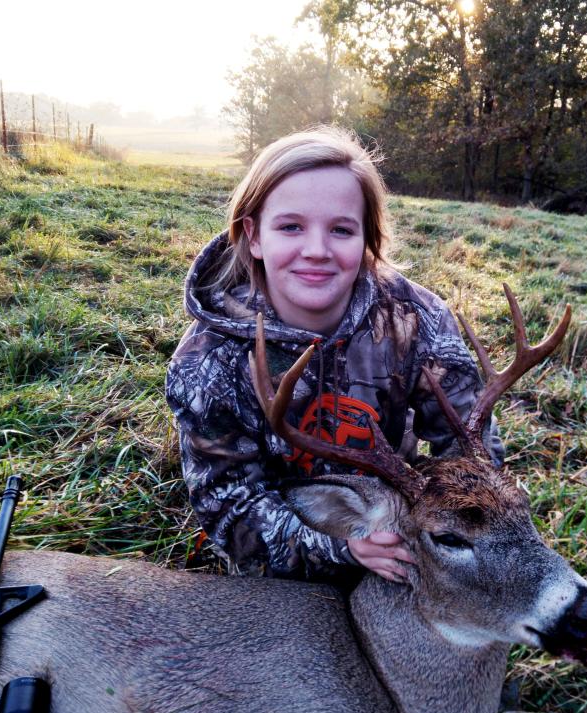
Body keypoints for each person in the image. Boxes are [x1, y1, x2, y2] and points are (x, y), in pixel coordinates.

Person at [166, 127, 501, 584]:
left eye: (341, 230)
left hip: (395, 523)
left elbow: (470, 447)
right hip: (282, 546)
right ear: (254, 235)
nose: (317, 251)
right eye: (291, 226)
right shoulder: (209, 360)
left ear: (367, 238)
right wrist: (342, 549)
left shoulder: (417, 320)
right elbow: (230, 510)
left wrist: (440, 525)